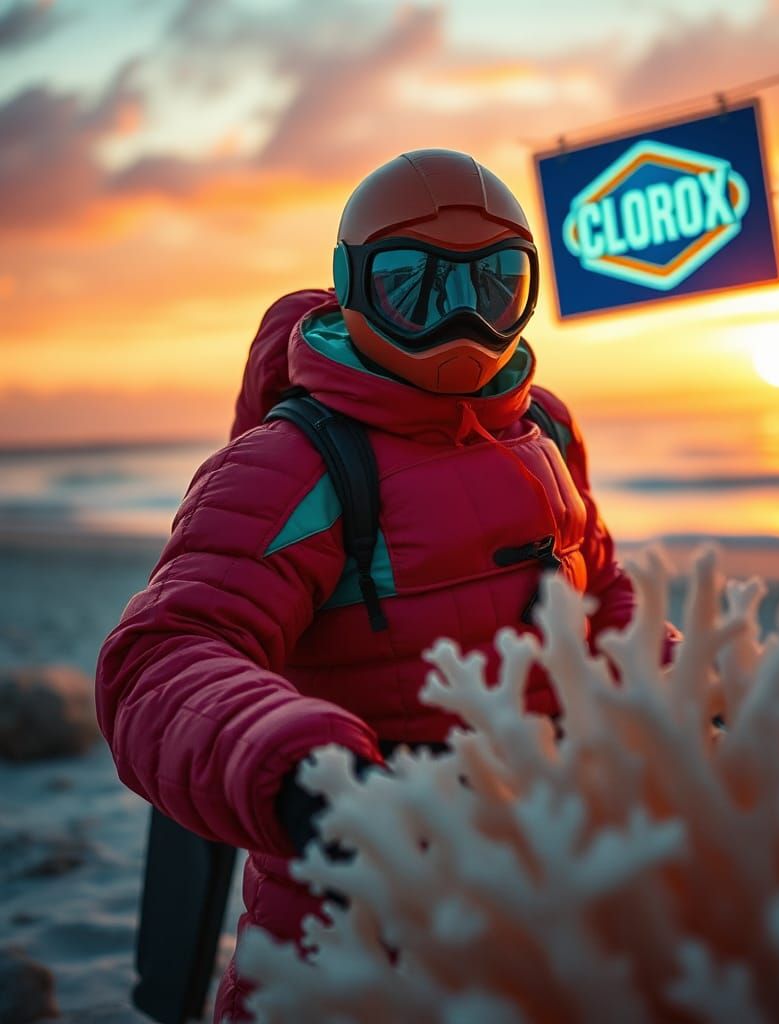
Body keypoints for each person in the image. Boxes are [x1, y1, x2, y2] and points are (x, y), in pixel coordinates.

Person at [95, 148, 679, 1023]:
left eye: (495, 287)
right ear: (352, 288)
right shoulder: (294, 465)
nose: (460, 322)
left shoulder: (543, 430)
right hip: (351, 915)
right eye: (413, 286)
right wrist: (302, 770)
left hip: (553, 887)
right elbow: (160, 659)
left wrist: (685, 691)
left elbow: (601, 598)